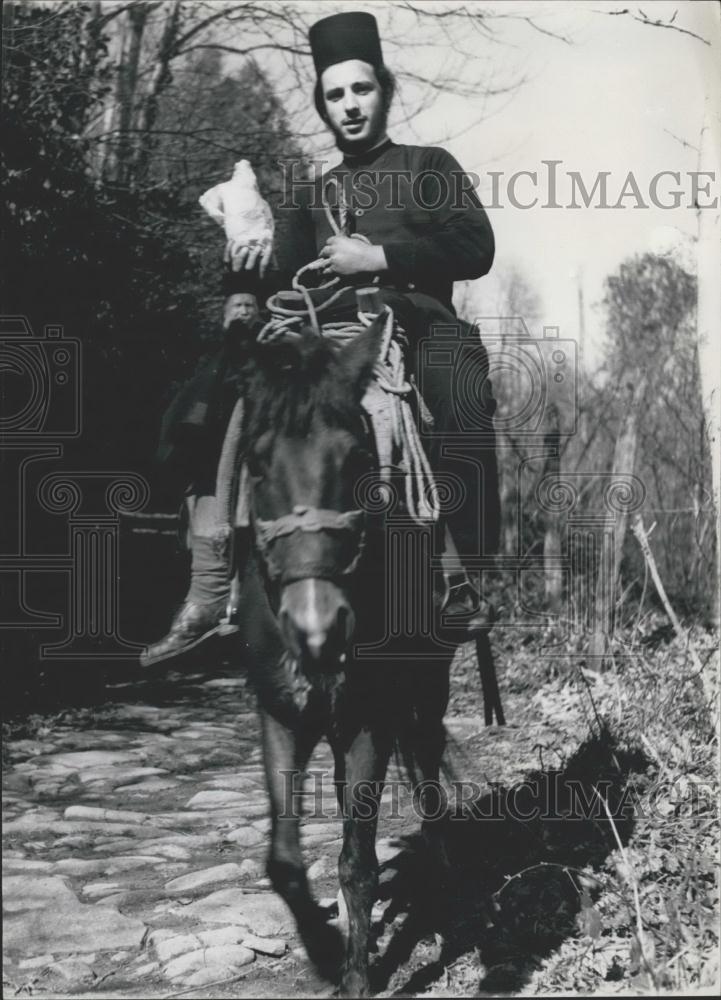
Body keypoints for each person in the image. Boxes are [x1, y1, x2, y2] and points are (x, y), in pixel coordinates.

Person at [142, 9, 499, 667]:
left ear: (383, 91)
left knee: (460, 386)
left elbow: (475, 246)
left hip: (411, 326)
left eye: (360, 89)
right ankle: (207, 587)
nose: (350, 105)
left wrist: (379, 258)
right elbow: (276, 270)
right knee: (208, 394)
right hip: (322, 336)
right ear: (324, 106)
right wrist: (240, 285)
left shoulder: (427, 165)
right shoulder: (314, 193)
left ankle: (460, 575)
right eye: (335, 95)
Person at [140, 271, 263, 667]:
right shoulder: (212, 362)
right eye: (236, 307)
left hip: (265, 455)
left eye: (250, 306)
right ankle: (207, 604)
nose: (243, 312)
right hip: (216, 466)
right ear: (223, 316)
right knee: (211, 497)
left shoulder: (276, 353)